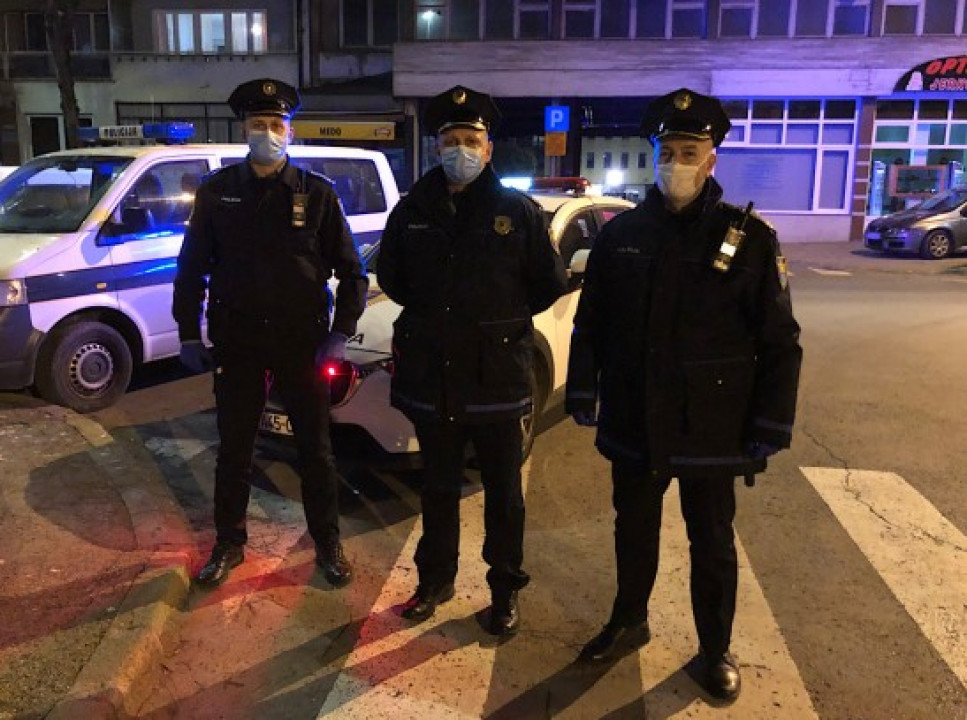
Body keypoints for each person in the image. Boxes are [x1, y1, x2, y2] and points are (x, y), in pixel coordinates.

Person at [565, 88, 802, 700]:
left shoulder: (749, 239)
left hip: (711, 424)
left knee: (713, 542)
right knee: (633, 530)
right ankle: (629, 620)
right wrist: (583, 389)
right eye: (667, 151)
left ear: (711, 159)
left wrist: (770, 424)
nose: (676, 163)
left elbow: (780, 340)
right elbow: (591, 323)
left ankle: (715, 647)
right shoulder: (622, 235)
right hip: (634, 416)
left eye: (689, 152)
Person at [377, 85, 567, 636]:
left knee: (503, 496)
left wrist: (497, 323)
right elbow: (393, 278)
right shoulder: (413, 210)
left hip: (496, 379)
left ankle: (504, 591)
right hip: (433, 377)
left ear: (488, 149)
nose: (460, 148)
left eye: (471, 139)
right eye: (450, 139)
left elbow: (548, 283)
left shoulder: (517, 212)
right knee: (437, 489)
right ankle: (434, 581)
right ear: (436, 146)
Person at [172, 78, 367, 589]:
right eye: (258, 124)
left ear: (290, 131)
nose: (268, 133)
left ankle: (327, 545)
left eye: (276, 124)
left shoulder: (316, 193)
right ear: (244, 129)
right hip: (237, 342)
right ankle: (228, 544)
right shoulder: (218, 193)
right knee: (234, 449)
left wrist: (341, 333)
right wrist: (188, 332)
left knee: (316, 452)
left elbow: (353, 272)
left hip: (302, 344)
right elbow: (191, 269)